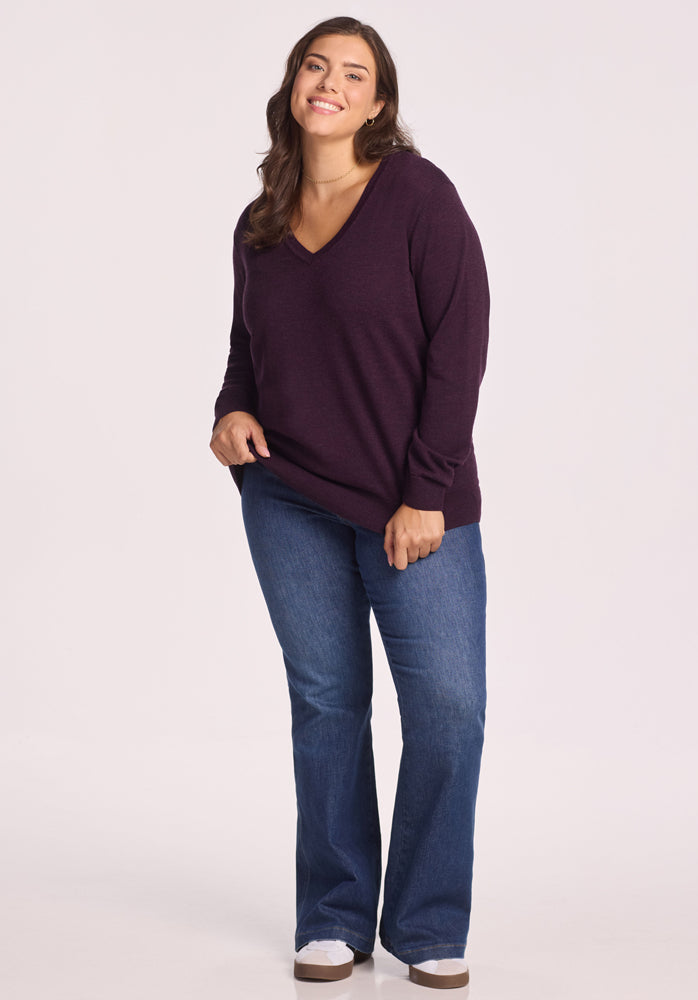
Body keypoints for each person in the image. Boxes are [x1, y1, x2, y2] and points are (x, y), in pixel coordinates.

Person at [209, 15, 490, 991]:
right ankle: (332, 915)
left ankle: (425, 922)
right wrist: (229, 406)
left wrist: (424, 492)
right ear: (294, 85)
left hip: (413, 507)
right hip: (286, 494)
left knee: (448, 710)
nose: (328, 82)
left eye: (352, 72)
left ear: (378, 101)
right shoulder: (262, 217)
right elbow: (251, 343)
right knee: (326, 704)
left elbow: (459, 345)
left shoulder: (418, 195)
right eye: (314, 65)